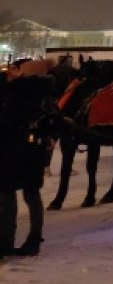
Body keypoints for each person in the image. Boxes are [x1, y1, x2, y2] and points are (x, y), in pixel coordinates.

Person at [0, 59, 60, 257]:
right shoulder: (45, 92)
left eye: (14, 69)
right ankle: (34, 239)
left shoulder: (17, 91)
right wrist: (49, 136)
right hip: (34, 149)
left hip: (11, 149)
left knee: (7, 193)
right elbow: (55, 119)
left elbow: (6, 120)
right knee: (31, 194)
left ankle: (6, 241)